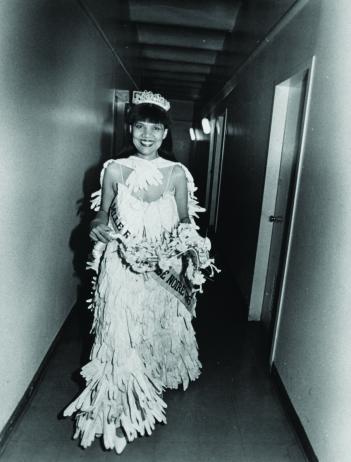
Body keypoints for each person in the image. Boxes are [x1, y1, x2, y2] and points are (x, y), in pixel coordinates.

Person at [64, 90, 216, 454]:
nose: (147, 135)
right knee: (119, 327)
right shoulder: (114, 169)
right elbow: (102, 211)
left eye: (155, 128)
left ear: (166, 134)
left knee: (155, 323)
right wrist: (96, 224)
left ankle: (153, 377)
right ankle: (116, 407)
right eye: (140, 126)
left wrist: (193, 251)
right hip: (120, 264)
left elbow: (184, 221)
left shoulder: (178, 173)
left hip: (163, 267)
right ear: (130, 128)